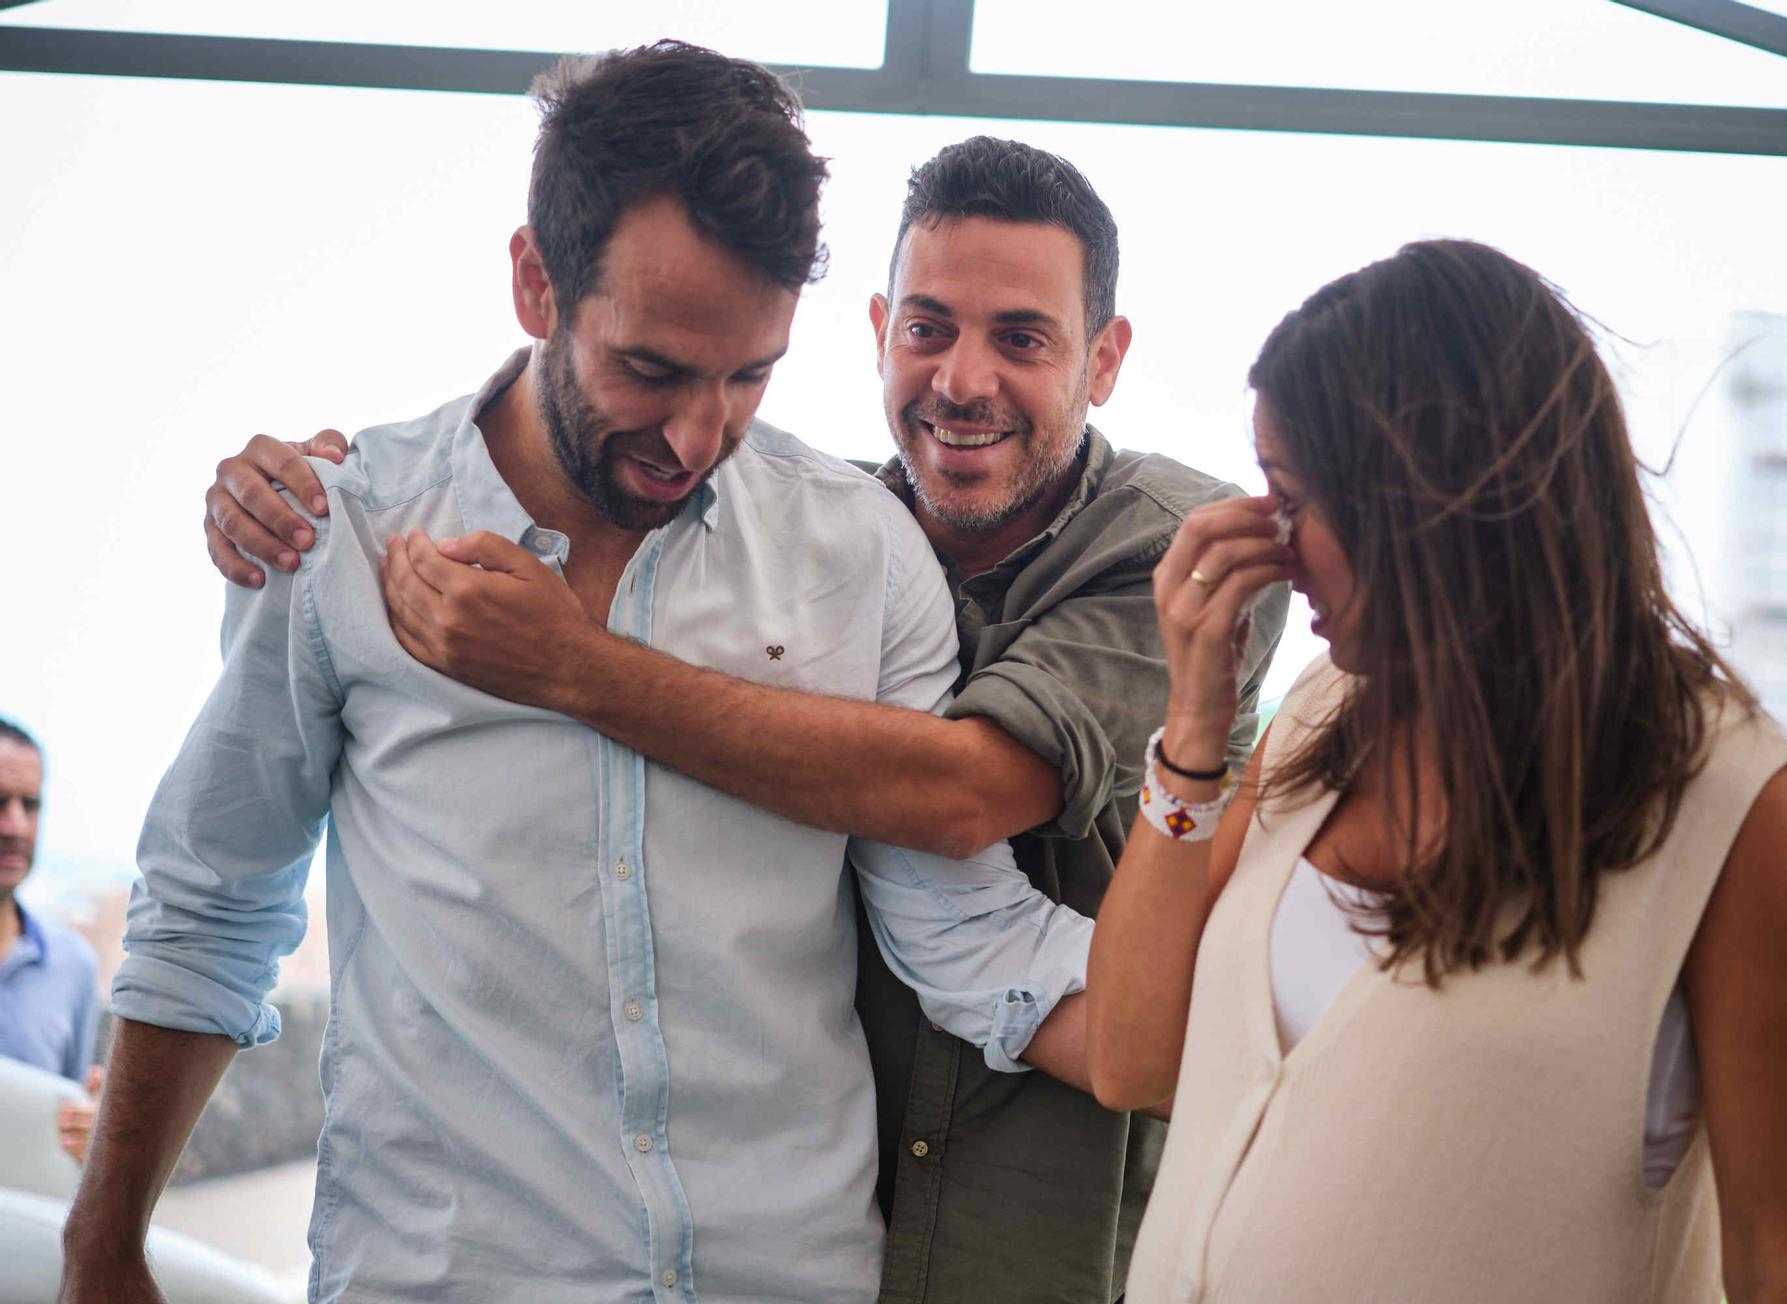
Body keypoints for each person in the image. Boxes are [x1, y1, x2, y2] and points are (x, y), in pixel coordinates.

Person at [60, 44, 1101, 1304]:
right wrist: (101, 1244)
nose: (696, 436)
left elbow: (963, 934)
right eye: (652, 369)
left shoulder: (862, 549)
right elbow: (213, 901)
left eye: (749, 373)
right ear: (535, 282)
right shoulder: (333, 529)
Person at [200, 138, 1290, 1301]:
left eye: (1020, 338)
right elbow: (214, 884)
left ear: (1104, 358)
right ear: (877, 330)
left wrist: (573, 665)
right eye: (926, 328)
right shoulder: (832, 538)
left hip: (1043, 1229)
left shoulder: (1177, 549)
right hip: (802, 1242)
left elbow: (961, 798)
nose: (961, 379)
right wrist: (302, 497)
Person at [1087, 240, 1787, 1302]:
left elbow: (1786, 1273)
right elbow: (1130, 1055)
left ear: (1426, 504)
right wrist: (1192, 727)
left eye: (1293, 497)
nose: (1272, 542)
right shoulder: (1315, 719)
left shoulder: (1723, 799)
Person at [0, 718, 104, 1164]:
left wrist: (93, 1133)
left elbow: (70, 1118)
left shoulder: (72, 964)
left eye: (31, 805)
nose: (16, 826)